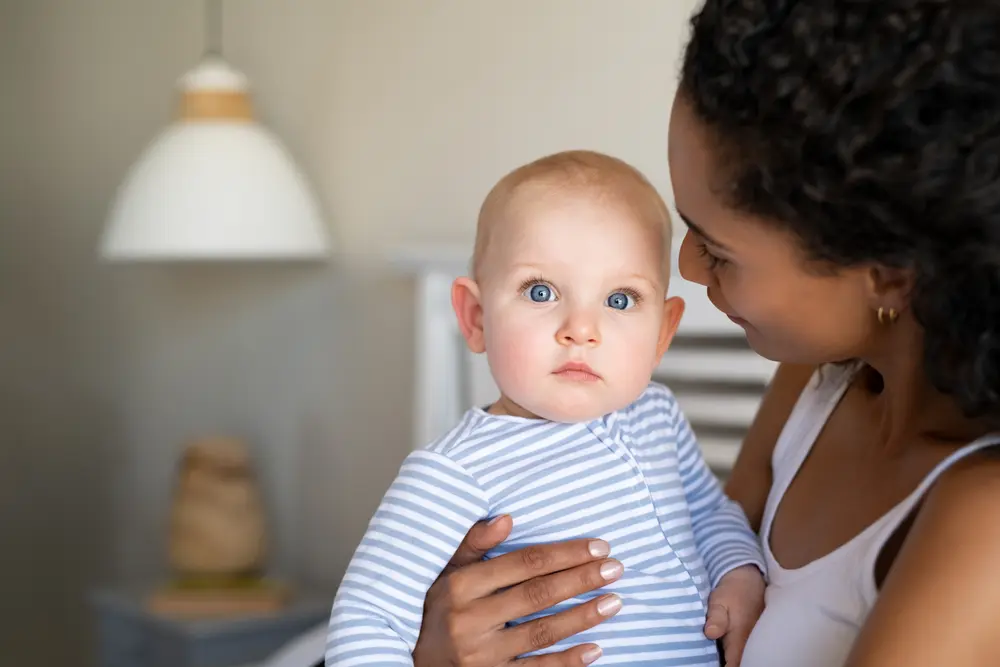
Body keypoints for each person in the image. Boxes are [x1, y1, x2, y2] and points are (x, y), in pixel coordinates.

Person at [408, 2, 1000, 666]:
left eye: (718, 248)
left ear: (888, 273)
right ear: (475, 316)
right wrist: (437, 641)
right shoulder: (817, 378)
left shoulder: (983, 522)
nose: (685, 267)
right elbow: (698, 561)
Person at [326, 150, 766, 666]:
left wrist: (739, 573)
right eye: (541, 291)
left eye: (620, 300)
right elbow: (368, 620)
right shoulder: (455, 470)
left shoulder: (657, 415)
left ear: (662, 333)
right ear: (476, 318)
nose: (582, 328)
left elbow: (710, 514)